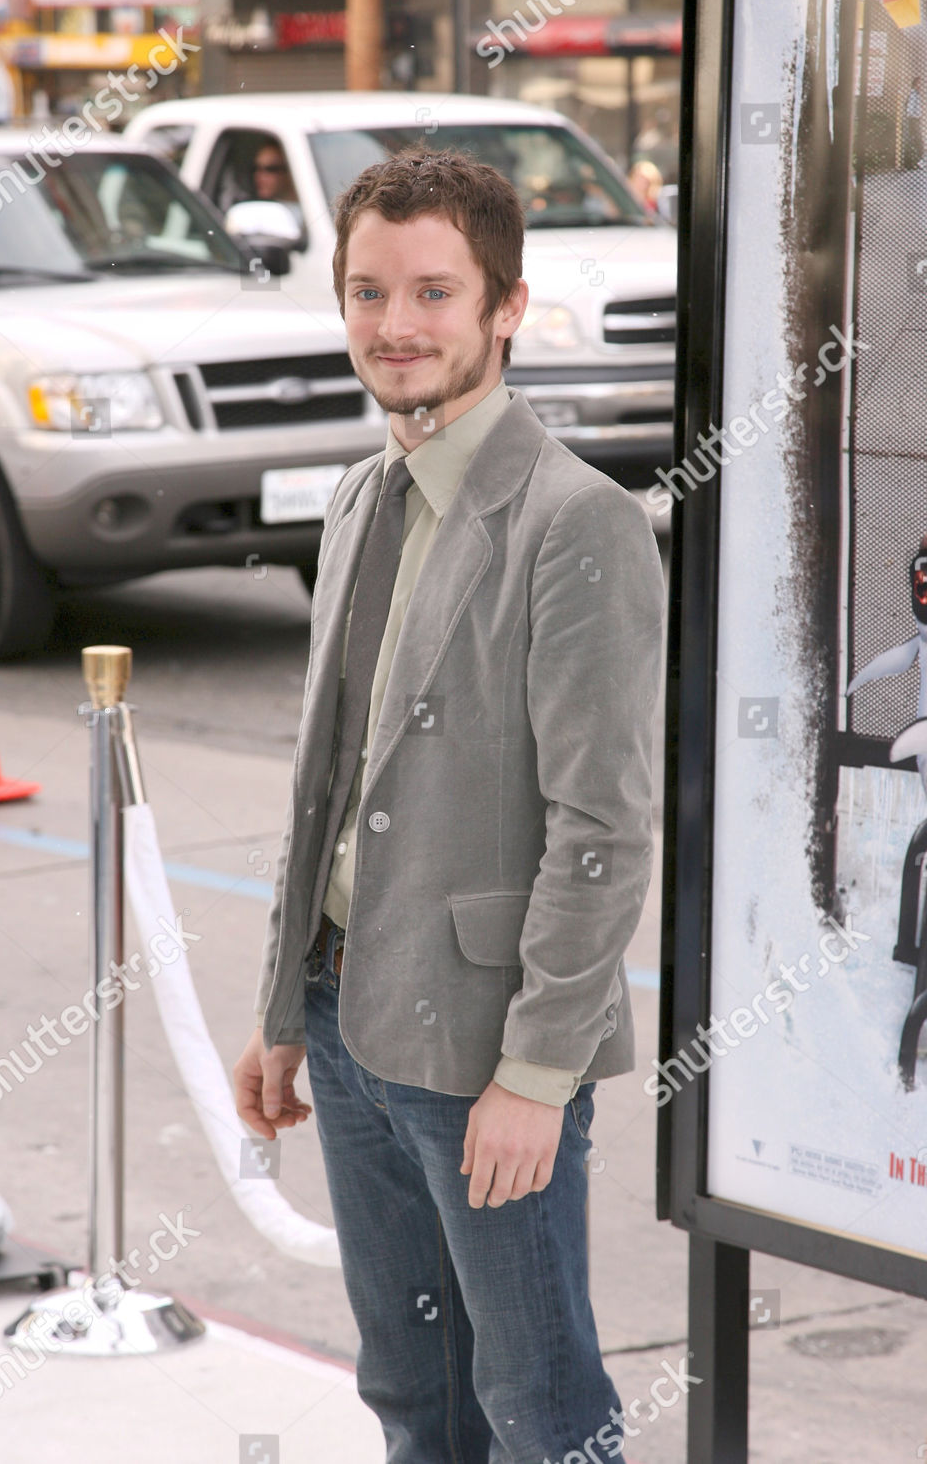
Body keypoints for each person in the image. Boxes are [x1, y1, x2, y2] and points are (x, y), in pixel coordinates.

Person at [233, 144, 665, 1462]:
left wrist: (536, 1076)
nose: (394, 325)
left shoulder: (574, 521)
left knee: (540, 1407)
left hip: (486, 1047)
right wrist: (280, 1007)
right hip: (347, 1013)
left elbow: (603, 827)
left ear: (506, 307)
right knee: (411, 1396)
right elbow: (325, 785)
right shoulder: (362, 496)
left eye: (432, 293)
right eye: (368, 292)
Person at [903, 76, 923, 170]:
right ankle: (915, 162)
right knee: (917, 140)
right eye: (920, 83)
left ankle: (914, 162)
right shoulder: (913, 94)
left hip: (915, 119)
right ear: (915, 84)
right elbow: (910, 109)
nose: (922, 85)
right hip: (913, 120)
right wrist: (914, 117)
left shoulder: (917, 94)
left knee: (916, 140)